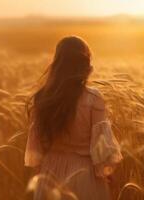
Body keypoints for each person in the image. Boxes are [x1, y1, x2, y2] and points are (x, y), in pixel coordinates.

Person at [24, 36, 123, 200]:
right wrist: (108, 175)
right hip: (84, 175)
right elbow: (101, 147)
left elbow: (36, 151)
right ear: (84, 63)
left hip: (50, 176)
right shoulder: (93, 98)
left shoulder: (42, 98)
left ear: (57, 62)